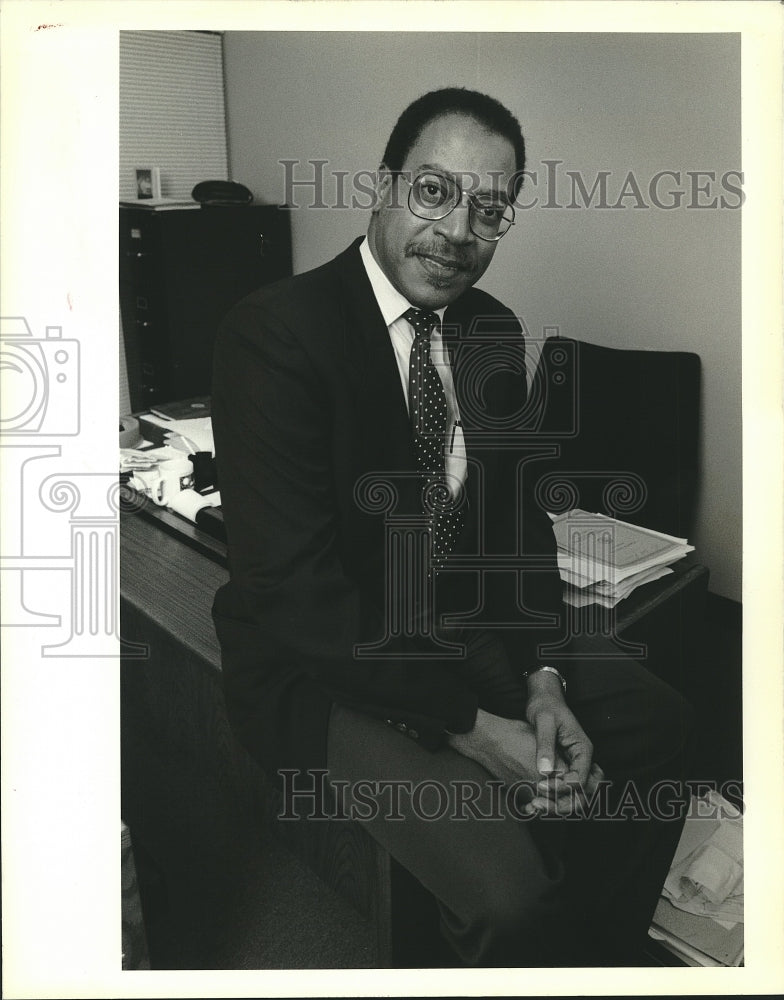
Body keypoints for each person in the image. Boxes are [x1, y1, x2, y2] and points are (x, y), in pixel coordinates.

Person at [211, 87, 693, 967]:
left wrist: (544, 677)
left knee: (659, 725)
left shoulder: (491, 331)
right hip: (327, 662)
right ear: (387, 185)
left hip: (468, 624)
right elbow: (298, 597)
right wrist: (475, 725)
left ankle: (597, 960)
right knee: (507, 896)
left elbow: (514, 525)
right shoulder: (273, 336)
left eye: (490, 208)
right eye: (435, 191)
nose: (458, 229)